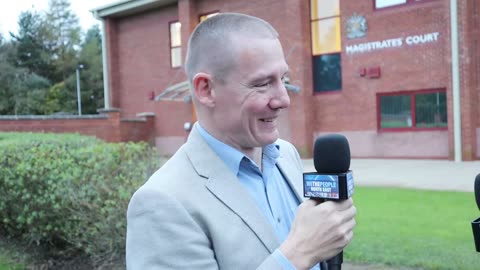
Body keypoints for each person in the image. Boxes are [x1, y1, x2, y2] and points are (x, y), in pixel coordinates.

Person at [126, 13, 357, 270]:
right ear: (206, 90)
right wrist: (299, 254)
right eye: (262, 83)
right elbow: (302, 251)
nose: (283, 99)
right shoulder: (162, 203)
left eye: (284, 80)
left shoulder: (286, 155)